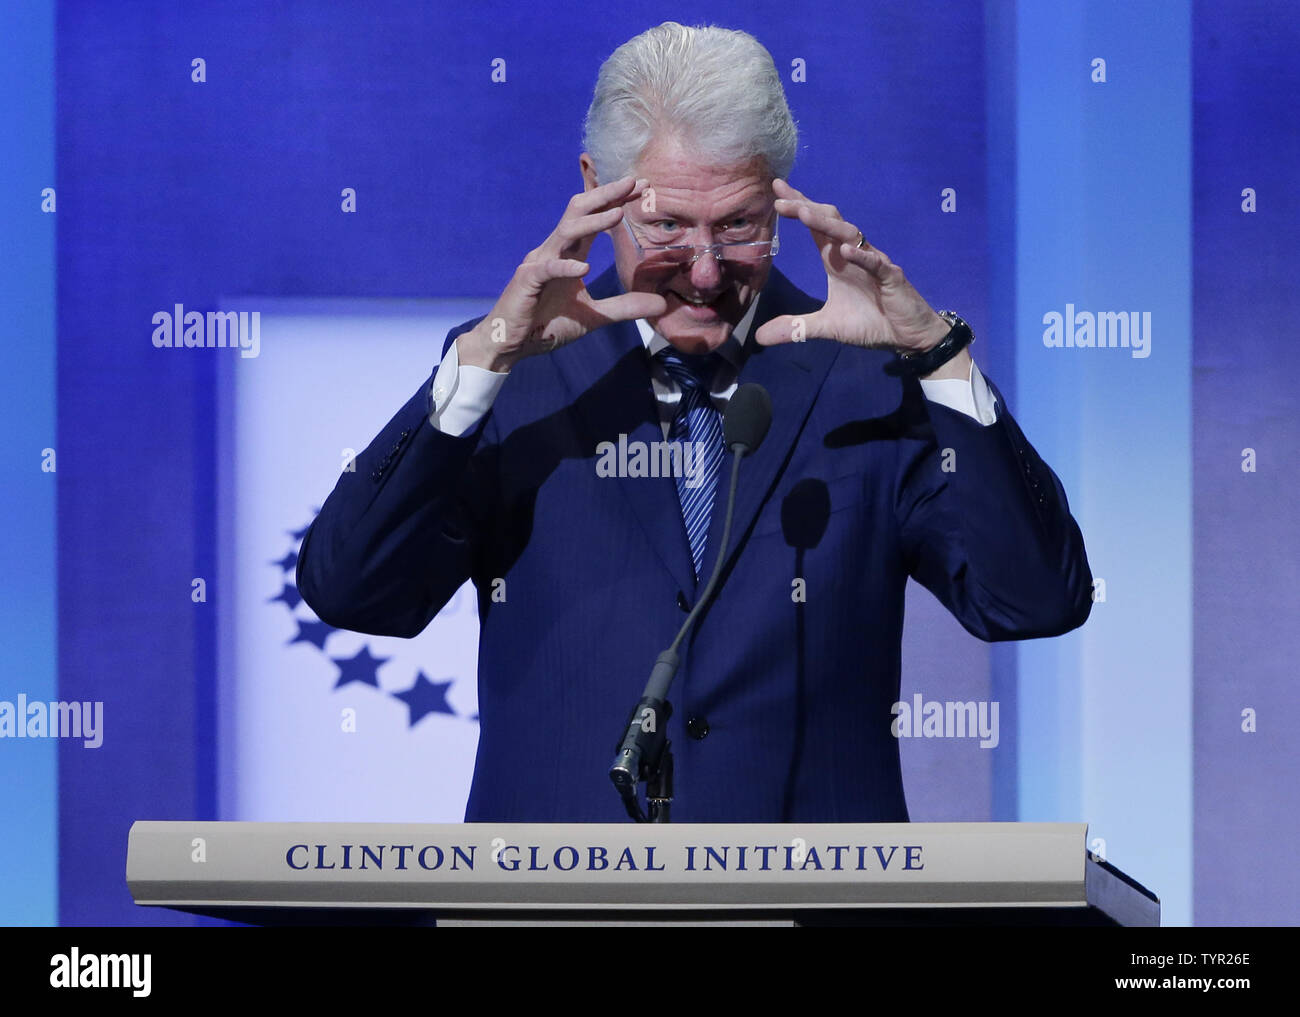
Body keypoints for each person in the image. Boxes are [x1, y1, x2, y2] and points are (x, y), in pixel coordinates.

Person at [296, 22, 1092, 823]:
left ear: (782, 196)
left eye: (740, 225)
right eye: (668, 225)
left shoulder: (871, 380)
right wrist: (481, 362)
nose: (706, 271)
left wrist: (939, 356)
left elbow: (1032, 600)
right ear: (594, 188)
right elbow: (352, 591)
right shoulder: (510, 381)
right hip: (557, 904)